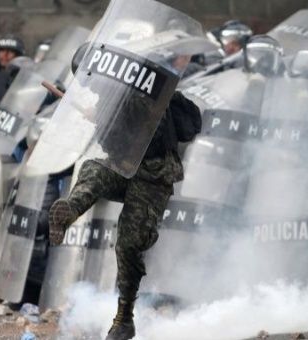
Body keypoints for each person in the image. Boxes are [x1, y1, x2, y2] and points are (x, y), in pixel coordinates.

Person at [48, 81, 202, 339]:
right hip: (121, 167)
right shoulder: (111, 95)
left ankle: (124, 318)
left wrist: (106, 116)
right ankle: (69, 211)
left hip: (153, 175)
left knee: (129, 245)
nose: (97, 92)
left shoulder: (154, 93)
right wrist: (101, 119)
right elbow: (110, 143)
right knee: (93, 170)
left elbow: (161, 132)